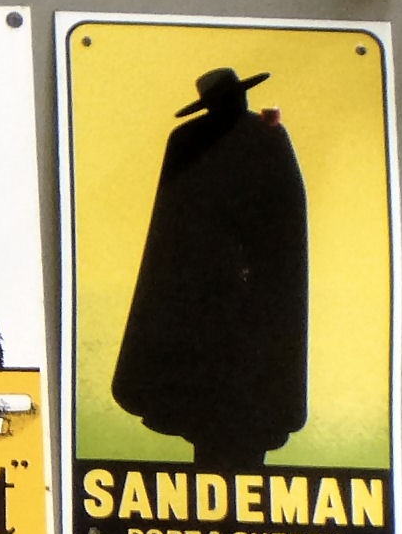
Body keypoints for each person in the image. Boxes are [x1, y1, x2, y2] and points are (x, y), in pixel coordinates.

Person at [110, 69, 308, 471]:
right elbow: (172, 223)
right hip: (200, 290)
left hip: (257, 288)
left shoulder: (267, 134)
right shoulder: (189, 140)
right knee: (208, 393)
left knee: (250, 388)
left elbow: (288, 211)